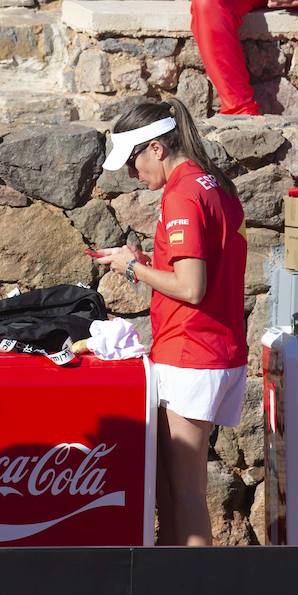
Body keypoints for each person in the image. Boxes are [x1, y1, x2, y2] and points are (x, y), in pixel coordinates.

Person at [92, 97, 247, 546]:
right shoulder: (211, 182)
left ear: (157, 148)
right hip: (212, 346)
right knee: (172, 488)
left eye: (133, 163)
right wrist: (144, 261)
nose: (131, 175)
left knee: (185, 492)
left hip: (191, 351)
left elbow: (191, 286)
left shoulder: (182, 193)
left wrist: (130, 268)